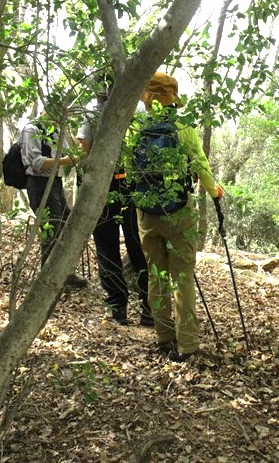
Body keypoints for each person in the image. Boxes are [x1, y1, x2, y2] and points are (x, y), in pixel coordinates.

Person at [128, 71, 221, 362]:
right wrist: (215, 193)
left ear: (148, 98)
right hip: (179, 212)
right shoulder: (184, 127)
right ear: (172, 99)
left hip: (146, 214)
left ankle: (163, 336)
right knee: (182, 279)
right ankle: (188, 345)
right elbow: (201, 166)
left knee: (156, 276)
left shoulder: (135, 128)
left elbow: (128, 171)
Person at [78, 95, 152, 326]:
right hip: (133, 184)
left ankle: (117, 307)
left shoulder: (92, 111)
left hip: (103, 186)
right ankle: (149, 308)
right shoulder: (138, 108)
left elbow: (85, 148)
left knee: (106, 246)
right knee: (138, 245)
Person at [20, 109, 87, 290]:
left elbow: (67, 152)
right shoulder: (31, 130)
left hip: (55, 183)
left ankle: (65, 273)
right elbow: (36, 162)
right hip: (39, 184)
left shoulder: (57, 131)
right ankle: (47, 281)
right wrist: (66, 161)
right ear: (46, 111)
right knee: (51, 228)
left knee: (65, 225)